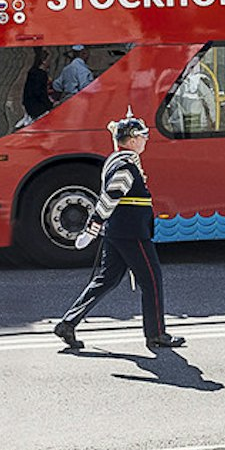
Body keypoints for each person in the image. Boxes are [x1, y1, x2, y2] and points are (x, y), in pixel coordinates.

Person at [53, 113, 184, 351]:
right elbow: (110, 199)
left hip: (119, 230)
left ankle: (68, 323)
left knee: (106, 280)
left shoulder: (118, 161)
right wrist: (91, 229)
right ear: (132, 139)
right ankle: (156, 334)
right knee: (152, 280)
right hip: (131, 232)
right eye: (143, 136)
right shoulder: (124, 166)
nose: (146, 140)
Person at [21, 48, 54, 122]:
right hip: (37, 108)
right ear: (44, 62)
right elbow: (40, 93)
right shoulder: (41, 75)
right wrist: (50, 105)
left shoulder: (32, 72)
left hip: (29, 106)